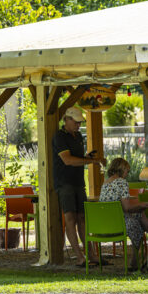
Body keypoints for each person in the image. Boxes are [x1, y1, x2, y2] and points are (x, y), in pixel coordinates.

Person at [52, 106, 107, 267]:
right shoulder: (59, 137)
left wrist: (86, 158)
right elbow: (68, 160)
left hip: (78, 182)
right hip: (65, 183)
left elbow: (76, 159)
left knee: (82, 218)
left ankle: (92, 255)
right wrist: (92, 161)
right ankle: (79, 257)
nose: (78, 125)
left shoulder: (78, 137)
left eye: (79, 122)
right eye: (76, 122)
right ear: (67, 120)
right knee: (70, 218)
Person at [99, 157, 148, 271]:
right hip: (118, 224)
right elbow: (127, 208)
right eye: (127, 170)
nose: (127, 173)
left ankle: (136, 263)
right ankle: (135, 263)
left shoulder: (105, 184)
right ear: (121, 169)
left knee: (138, 216)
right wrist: (142, 205)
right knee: (139, 218)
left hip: (104, 224)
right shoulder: (121, 182)